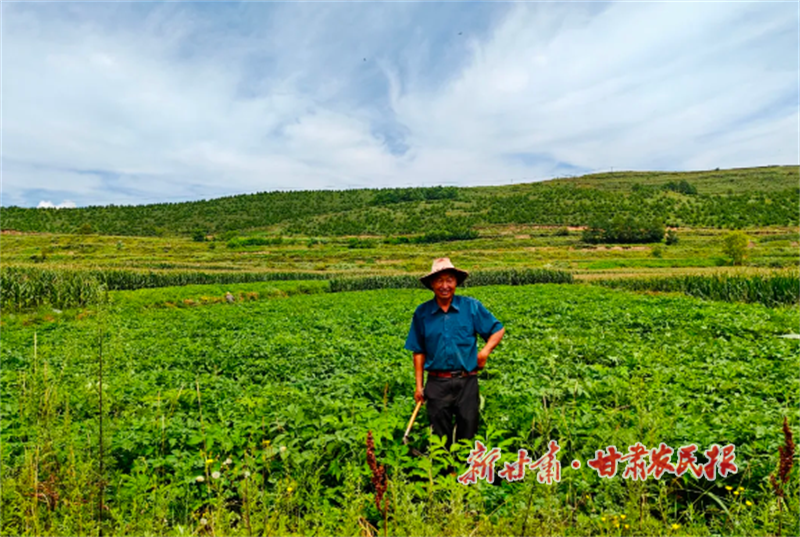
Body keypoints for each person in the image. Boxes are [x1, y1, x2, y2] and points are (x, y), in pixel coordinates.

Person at [404, 258, 505, 449]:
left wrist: (484, 353)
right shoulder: (422, 313)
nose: (444, 286)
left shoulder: (471, 307)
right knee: (439, 436)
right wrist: (419, 386)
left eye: (449, 280)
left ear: (456, 282)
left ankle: (464, 474)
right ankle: (444, 475)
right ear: (432, 284)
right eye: (439, 281)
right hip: (436, 383)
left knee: (467, 432)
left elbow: (497, 329)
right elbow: (418, 351)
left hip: (467, 382)